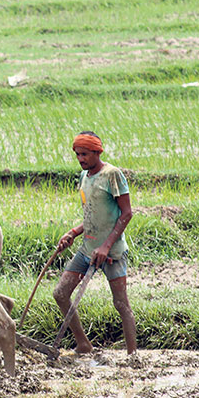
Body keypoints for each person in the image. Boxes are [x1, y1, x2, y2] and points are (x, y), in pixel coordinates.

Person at [53, 131, 136, 354]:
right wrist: (73, 232)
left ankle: (133, 356)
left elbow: (126, 213)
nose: (81, 159)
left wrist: (106, 246)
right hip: (88, 248)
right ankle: (83, 344)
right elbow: (92, 215)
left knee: (121, 304)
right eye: (78, 154)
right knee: (60, 293)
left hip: (113, 251)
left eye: (85, 154)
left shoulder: (113, 175)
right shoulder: (84, 177)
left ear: (97, 152)